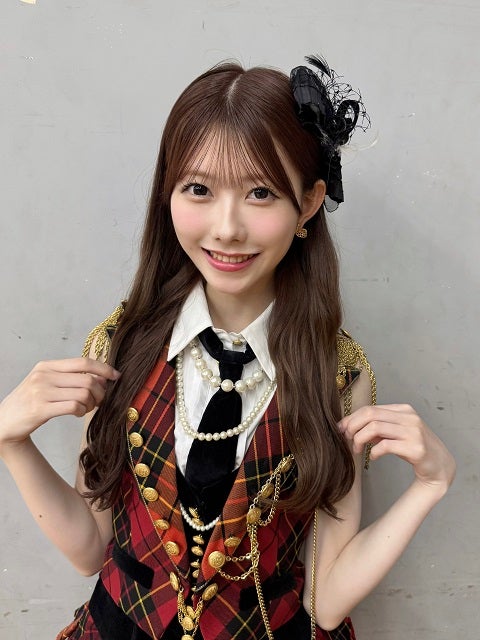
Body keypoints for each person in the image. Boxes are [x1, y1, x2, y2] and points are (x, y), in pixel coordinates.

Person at [0, 55, 455, 640]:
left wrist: (430, 486)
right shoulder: (120, 344)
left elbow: (324, 600)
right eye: (198, 189)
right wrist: (11, 441)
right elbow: (91, 548)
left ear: (308, 203)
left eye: (260, 193)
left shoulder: (337, 374)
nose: (226, 228)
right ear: (167, 195)